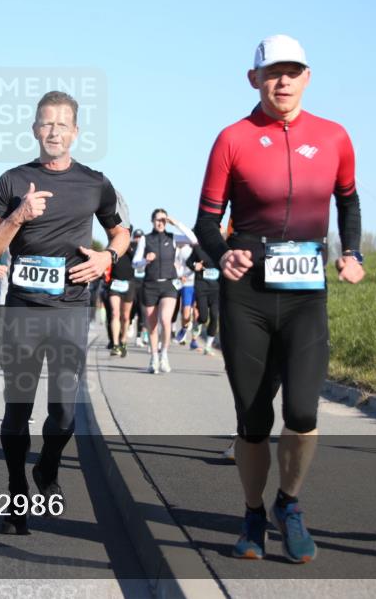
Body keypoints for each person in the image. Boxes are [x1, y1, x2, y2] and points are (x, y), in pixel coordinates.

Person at [194, 34, 364, 563]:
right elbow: (205, 220)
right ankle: (251, 512)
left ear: (308, 77)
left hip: (304, 290)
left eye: (293, 71)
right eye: (272, 72)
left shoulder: (334, 136)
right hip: (246, 290)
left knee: (302, 408)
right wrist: (223, 252)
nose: (283, 80)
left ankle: (288, 505)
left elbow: (348, 200)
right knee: (253, 417)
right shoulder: (232, 138)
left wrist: (353, 252)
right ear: (254, 80)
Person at [0, 90, 128, 535]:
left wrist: (107, 259)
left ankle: (46, 466)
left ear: (76, 132)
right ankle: (17, 491)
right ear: (34, 130)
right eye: (46, 123)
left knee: (63, 413)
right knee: (17, 410)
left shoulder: (95, 183)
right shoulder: (11, 180)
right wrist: (18, 216)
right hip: (22, 311)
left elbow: (120, 233)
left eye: (62, 124)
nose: (54, 131)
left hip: (70, 310)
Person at [142, 210, 188, 373]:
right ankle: (154, 358)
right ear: (152, 221)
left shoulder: (173, 238)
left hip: (169, 284)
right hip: (150, 285)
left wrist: (176, 223)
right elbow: (135, 263)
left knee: (165, 320)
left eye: (163, 220)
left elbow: (194, 240)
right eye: (157, 220)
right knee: (152, 325)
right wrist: (144, 260)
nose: (160, 223)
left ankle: (164, 355)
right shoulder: (145, 239)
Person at [108, 226, 139, 357]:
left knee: (125, 316)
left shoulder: (133, 247)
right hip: (115, 283)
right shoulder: (112, 245)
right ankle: (115, 345)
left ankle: (123, 340)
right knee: (115, 313)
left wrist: (127, 247)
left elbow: (136, 261)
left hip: (129, 283)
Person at [186, 241, 221, 356]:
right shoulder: (198, 248)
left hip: (216, 288)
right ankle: (198, 323)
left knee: (215, 316)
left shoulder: (220, 247)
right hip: (202, 287)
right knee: (204, 317)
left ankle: (208, 346)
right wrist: (194, 265)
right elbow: (189, 262)